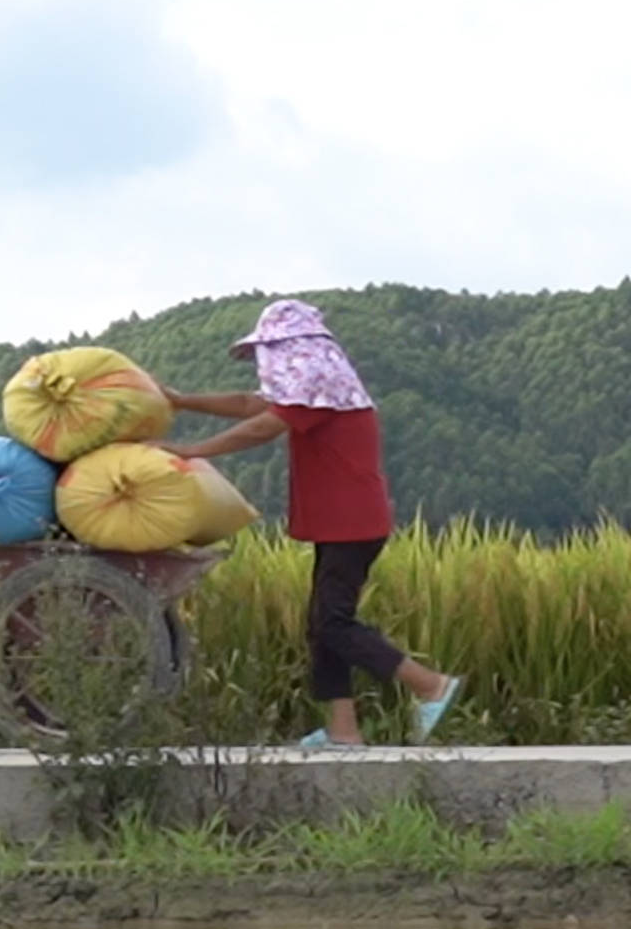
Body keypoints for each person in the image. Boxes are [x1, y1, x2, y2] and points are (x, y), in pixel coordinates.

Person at [160, 300, 459, 749]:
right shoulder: (323, 391)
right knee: (321, 624)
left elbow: (259, 427)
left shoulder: (321, 390)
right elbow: (249, 404)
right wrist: (182, 400)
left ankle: (429, 684)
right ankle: (343, 730)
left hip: (351, 523)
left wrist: (191, 451)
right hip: (342, 523)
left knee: (333, 623)